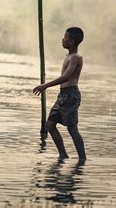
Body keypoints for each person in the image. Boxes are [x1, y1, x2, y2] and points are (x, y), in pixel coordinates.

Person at [33, 27, 86, 161]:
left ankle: (82, 159)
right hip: (63, 96)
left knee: (72, 129)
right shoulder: (68, 56)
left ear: (72, 42)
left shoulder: (76, 57)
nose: (62, 40)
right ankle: (63, 154)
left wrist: (46, 85)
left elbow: (67, 76)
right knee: (50, 124)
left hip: (71, 95)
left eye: (65, 38)